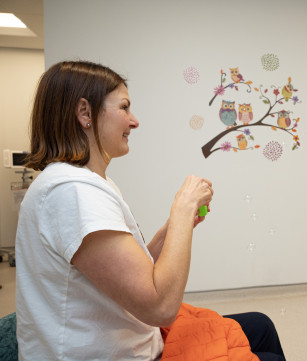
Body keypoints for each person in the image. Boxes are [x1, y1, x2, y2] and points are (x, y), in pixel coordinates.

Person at [15, 60, 286, 361]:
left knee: (260, 325)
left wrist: (172, 229)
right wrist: (183, 208)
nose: (134, 121)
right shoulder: (73, 192)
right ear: (84, 112)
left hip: (133, 342)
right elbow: (161, 307)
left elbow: (130, 270)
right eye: (124, 108)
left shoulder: (82, 184)